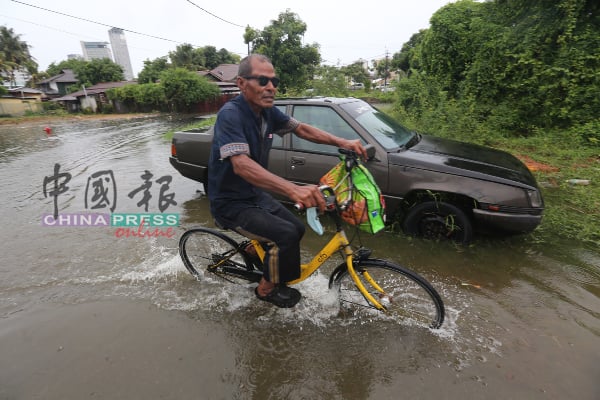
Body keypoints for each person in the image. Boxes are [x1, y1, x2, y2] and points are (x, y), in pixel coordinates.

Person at [207, 54, 366, 308]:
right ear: (241, 83)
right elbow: (241, 165)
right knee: (285, 235)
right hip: (230, 202)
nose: (271, 87)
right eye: (262, 80)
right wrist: (293, 189)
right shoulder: (231, 115)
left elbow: (302, 129)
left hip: (254, 194)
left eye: (274, 81)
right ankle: (265, 289)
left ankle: (254, 250)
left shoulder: (269, 113)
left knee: (297, 228)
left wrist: (342, 142)